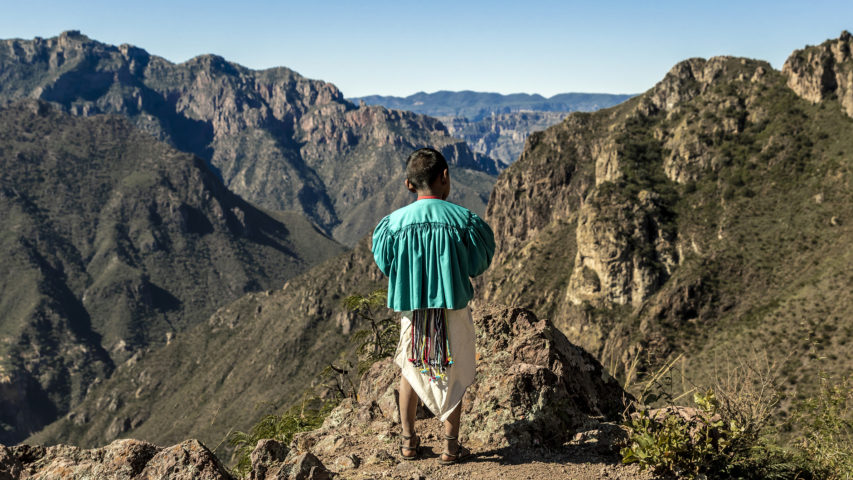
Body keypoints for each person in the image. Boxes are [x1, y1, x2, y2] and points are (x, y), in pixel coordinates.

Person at [371, 147, 495, 464]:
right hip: (453, 308)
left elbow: (386, 264)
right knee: (453, 374)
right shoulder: (464, 222)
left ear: (408, 184)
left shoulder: (392, 226)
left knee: (411, 370)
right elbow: (478, 263)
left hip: (413, 310)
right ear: (445, 178)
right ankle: (451, 446)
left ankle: (408, 442)